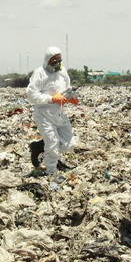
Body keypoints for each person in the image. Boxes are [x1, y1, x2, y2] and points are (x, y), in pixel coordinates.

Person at [26, 46, 78, 175]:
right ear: (48, 60)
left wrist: (71, 98)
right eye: (54, 60)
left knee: (69, 145)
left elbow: (67, 89)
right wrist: (51, 98)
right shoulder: (40, 73)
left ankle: (39, 146)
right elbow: (32, 96)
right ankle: (51, 173)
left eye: (59, 60)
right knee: (53, 145)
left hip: (59, 113)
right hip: (44, 114)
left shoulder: (62, 72)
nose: (57, 63)